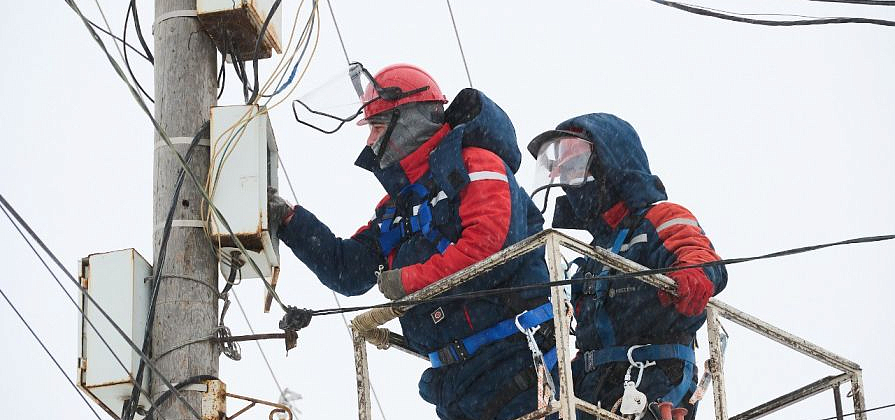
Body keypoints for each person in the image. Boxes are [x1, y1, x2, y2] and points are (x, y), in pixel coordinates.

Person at [271, 64, 558, 420]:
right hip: (458, 385)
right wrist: (289, 220)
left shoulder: (478, 165)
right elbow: (348, 271)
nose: (370, 142)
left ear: (408, 121)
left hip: (520, 368)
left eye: (376, 127)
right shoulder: (397, 208)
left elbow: (490, 251)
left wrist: (407, 281)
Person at [527, 113, 728, 420]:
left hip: (651, 376)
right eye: (564, 173)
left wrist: (693, 275)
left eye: (576, 168)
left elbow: (698, 254)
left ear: (608, 165)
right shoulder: (593, 252)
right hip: (592, 382)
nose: (570, 182)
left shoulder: (659, 217)